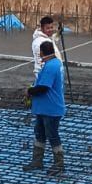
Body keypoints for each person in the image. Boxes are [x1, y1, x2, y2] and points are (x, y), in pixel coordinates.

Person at [24, 40, 66, 174]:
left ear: (42, 52)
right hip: (44, 108)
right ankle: (37, 161)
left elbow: (43, 87)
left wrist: (29, 91)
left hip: (51, 109)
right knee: (40, 133)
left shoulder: (51, 66)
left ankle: (59, 164)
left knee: (52, 135)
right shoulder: (54, 63)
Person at [30, 13, 63, 78]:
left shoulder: (47, 37)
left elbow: (53, 38)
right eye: (47, 28)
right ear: (42, 28)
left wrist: (58, 33)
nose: (50, 30)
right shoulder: (39, 42)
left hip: (53, 71)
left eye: (51, 27)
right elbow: (41, 61)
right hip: (46, 73)